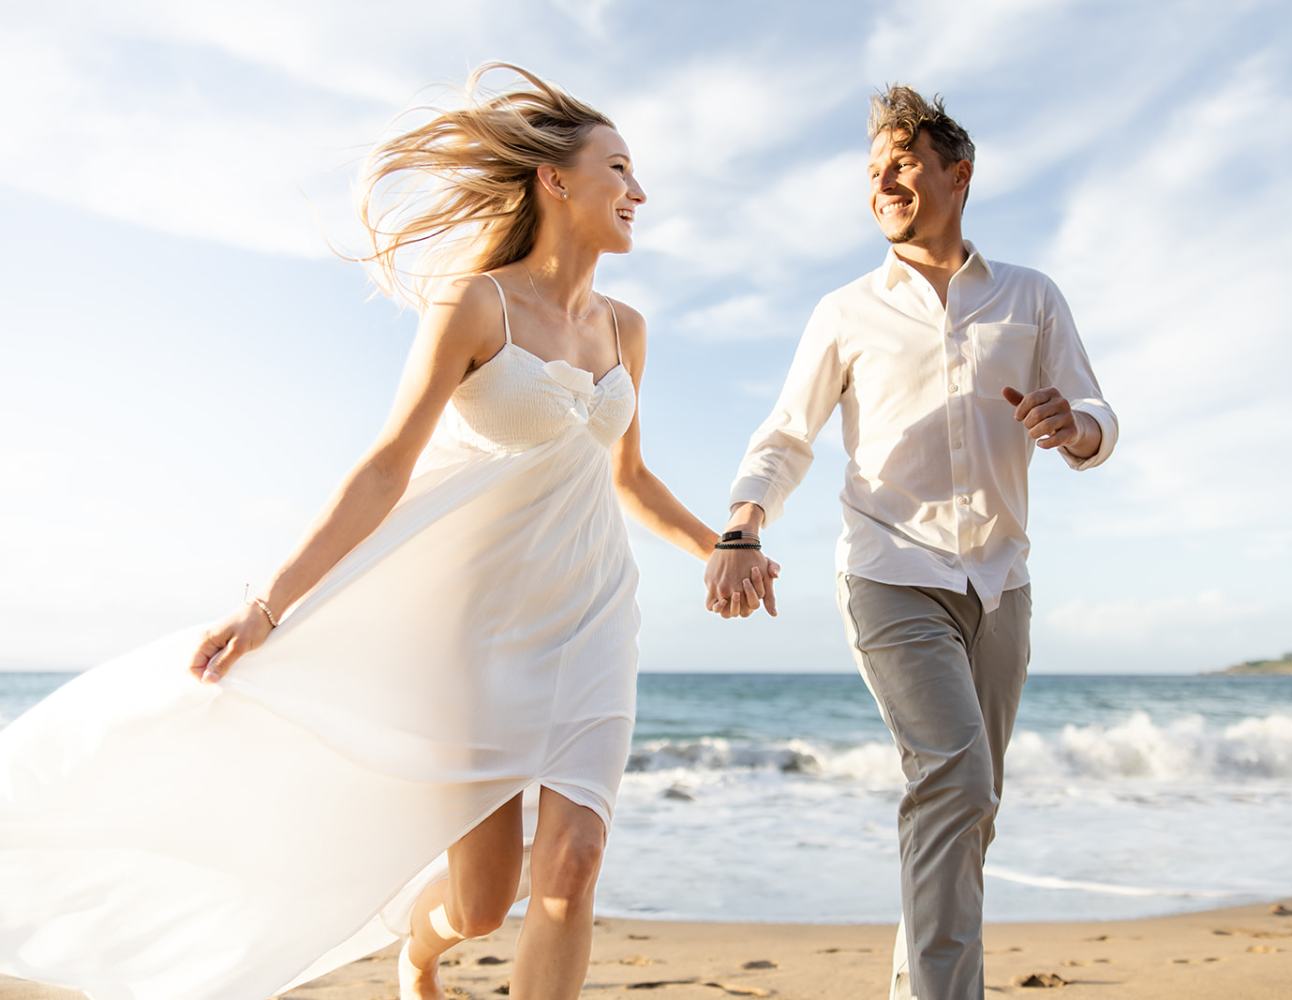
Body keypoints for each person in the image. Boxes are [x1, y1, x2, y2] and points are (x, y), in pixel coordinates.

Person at [0, 62, 758, 1000]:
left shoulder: (626, 329)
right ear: (554, 181)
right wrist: (268, 607)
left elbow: (629, 478)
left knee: (572, 864)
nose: (638, 190)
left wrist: (722, 550)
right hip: (475, 634)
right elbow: (387, 465)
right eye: (620, 168)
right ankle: (418, 951)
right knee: (483, 905)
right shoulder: (476, 304)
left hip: (594, 616)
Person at [703, 85, 1118, 999]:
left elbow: (1093, 411)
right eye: (873, 170)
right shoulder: (845, 310)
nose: (882, 182)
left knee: (968, 807)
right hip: (890, 572)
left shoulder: (1030, 296)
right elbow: (785, 434)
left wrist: (1074, 427)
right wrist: (741, 526)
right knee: (955, 781)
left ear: (956, 175)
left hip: (1001, 582)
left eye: (902, 162)